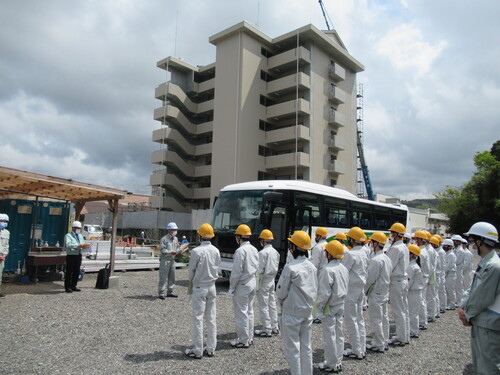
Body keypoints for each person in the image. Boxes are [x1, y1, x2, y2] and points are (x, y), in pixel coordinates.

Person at [458, 222, 500, 375]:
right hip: (481, 322)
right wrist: (462, 305)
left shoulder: (494, 266)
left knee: (488, 368)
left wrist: (466, 314)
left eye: (472, 240)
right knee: (479, 364)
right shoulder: (486, 262)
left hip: (489, 325)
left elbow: (483, 297)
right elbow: (472, 288)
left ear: (480, 241)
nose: (471, 244)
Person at [276, 230, 318, 375]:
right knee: (306, 347)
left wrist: (281, 302)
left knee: (292, 348)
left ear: (294, 248)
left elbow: (281, 291)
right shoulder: (312, 267)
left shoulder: (291, 267)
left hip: (292, 311)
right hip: (307, 311)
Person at [185, 223, 221, 359]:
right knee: (211, 318)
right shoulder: (216, 251)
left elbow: (191, 271)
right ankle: (211, 348)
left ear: (200, 236)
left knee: (198, 318)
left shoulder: (196, 251)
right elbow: (217, 268)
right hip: (212, 286)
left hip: (200, 287)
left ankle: (198, 349)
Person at [316, 240, 349, 373]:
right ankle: (338, 361)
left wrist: (319, 308)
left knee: (329, 335)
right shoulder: (343, 268)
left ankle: (331, 363)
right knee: (339, 334)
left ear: (329, 254)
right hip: (341, 303)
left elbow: (324, 293)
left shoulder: (328, 270)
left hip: (329, 306)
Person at [229, 224, 259, 348]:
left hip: (243, 284)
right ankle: (249, 337)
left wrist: (232, 287)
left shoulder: (240, 251)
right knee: (249, 311)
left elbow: (236, 272)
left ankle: (243, 339)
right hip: (252, 281)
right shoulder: (254, 249)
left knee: (241, 313)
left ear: (239, 237)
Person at [342, 226, 368, 359]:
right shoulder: (364, 252)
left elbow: (343, 271)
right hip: (360, 289)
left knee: (351, 320)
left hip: (351, 290)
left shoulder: (351, 254)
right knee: (359, 319)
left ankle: (356, 350)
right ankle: (362, 348)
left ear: (352, 239)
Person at [386, 223, 410, 345]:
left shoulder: (395, 248)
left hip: (396, 281)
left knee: (398, 311)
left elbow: (389, 266)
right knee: (403, 309)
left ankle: (401, 338)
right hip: (403, 280)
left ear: (396, 234)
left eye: (392, 233)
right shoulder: (404, 247)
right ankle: (404, 335)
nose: (390, 235)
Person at [255, 229, 280, 337]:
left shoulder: (262, 253)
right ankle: (275, 326)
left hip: (264, 279)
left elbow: (260, 269)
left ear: (263, 240)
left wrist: (256, 282)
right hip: (272, 279)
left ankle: (267, 328)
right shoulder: (276, 252)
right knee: (272, 304)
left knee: (264, 305)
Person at [310, 227, 328, 323]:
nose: (315, 237)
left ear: (319, 236)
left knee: (318, 294)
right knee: (325, 293)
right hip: (327, 271)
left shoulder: (317, 247)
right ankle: (323, 313)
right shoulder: (328, 245)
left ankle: (318, 314)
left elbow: (315, 264)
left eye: (316, 235)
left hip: (320, 273)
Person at [413, 230, 430, 330]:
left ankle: (422, 322)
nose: (415, 241)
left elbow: (419, 267)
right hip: (423, 277)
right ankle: (422, 321)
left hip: (421, 278)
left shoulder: (421, 252)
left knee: (420, 301)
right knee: (421, 300)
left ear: (420, 240)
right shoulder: (423, 250)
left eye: (416, 239)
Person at [158, 222, 180, 299]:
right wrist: (170, 252)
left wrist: (178, 250)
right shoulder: (164, 239)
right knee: (163, 276)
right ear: (169, 230)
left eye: (176, 229)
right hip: (165, 260)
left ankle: (170, 291)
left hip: (172, 260)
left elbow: (177, 247)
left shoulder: (176, 239)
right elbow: (162, 249)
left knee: (172, 276)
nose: (175, 230)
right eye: (174, 229)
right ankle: (161, 293)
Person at [406, 244, 424, 338]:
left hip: (413, 292)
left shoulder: (412, 267)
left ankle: (413, 331)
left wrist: (403, 291)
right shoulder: (413, 265)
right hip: (415, 292)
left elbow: (409, 281)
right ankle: (412, 329)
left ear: (413, 255)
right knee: (413, 312)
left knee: (412, 313)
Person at [63, 221, 85, 293]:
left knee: (76, 271)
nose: (79, 229)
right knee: (69, 271)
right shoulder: (68, 236)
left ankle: (73, 285)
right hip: (71, 255)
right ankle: (67, 287)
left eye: (79, 228)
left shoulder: (80, 236)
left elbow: (83, 243)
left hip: (78, 255)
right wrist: (77, 246)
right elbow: (68, 244)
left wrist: (85, 246)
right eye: (78, 228)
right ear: (73, 228)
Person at [425, 232, 438, 322]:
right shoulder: (429, 249)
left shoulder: (429, 250)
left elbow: (430, 266)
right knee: (430, 295)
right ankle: (431, 313)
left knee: (430, 296)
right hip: (431, 274)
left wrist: (428, 278)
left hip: (431, 275)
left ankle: (431, 315)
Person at [442, 239, 457, 310]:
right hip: (447, 274)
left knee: (450, 289)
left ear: (450, 246)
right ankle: (448, 303)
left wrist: (443, 272)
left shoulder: (451, 255)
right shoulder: (447, 253)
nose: (444, 247)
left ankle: (452, 304)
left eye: (446, 246)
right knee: (447, 289)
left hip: (451, 274)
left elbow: (448, 266)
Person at [451, 234, 466, 306]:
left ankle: (460, 301)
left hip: (458, 271)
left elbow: (457, 261)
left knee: (459, 287)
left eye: (456, 241)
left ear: (460, 242)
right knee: (455, 286)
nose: (455, 242)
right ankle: (457, 300)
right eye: (454, 241)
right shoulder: (455, 249)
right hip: (455, 271)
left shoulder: (461, 251)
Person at [0, 213, 10, 298]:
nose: (4, 223)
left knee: (0, 275)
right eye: (2, 221)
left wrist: (4, 254)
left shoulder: (6, 233)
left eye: (6, 221)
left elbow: (6, 245)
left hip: (1, 257)